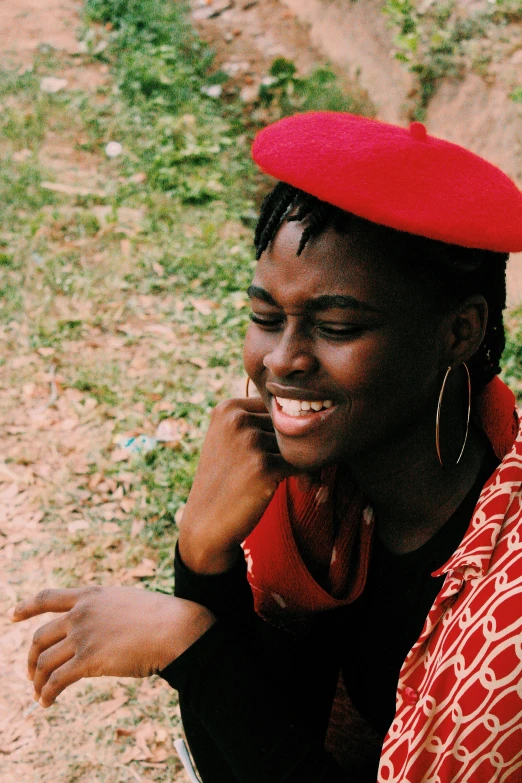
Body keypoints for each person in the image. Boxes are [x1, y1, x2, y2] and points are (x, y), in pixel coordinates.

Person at [9, 112, 522, 783]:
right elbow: (250, 756)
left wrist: (188, 642)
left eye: (335, 325)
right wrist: (203, 551)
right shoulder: (328, 501)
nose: (281, 359)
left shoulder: (504, 610)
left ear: (458, 332)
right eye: (265, 316)